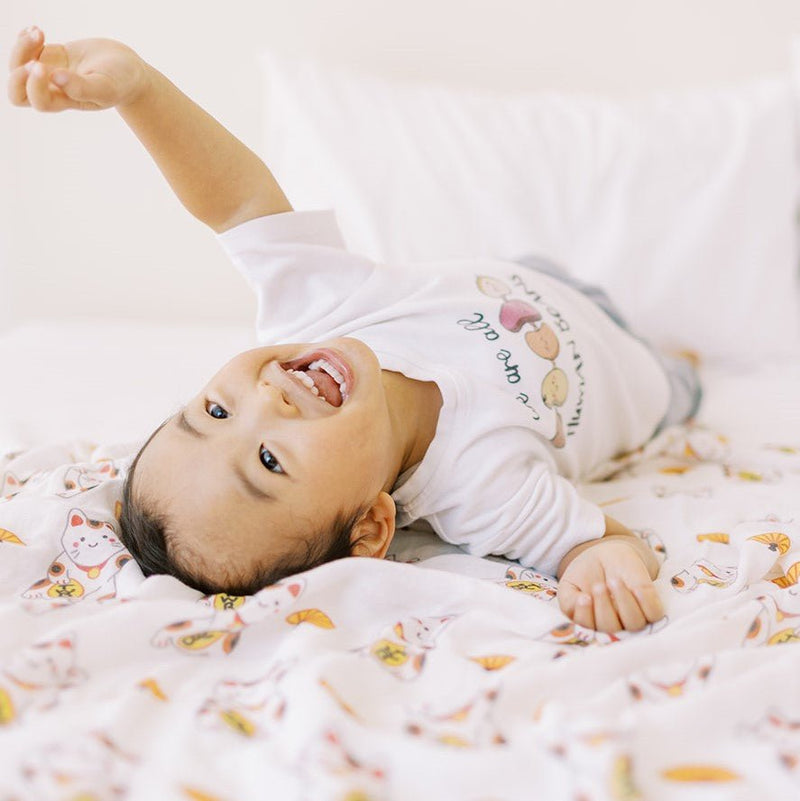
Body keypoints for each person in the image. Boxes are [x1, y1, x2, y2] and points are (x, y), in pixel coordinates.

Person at [7, 26, 701, 633]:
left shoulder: (315, 311)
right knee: (683, 381)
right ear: (372, 525)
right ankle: (680, 363)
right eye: (271, 461)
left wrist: (140, 91)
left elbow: (237, 200)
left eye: (215, 409)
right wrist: (605, 568)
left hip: (531, 282)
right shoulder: (482, 487)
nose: (266, 402)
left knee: (535, 269)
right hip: (643, 380)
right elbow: (596, 541)